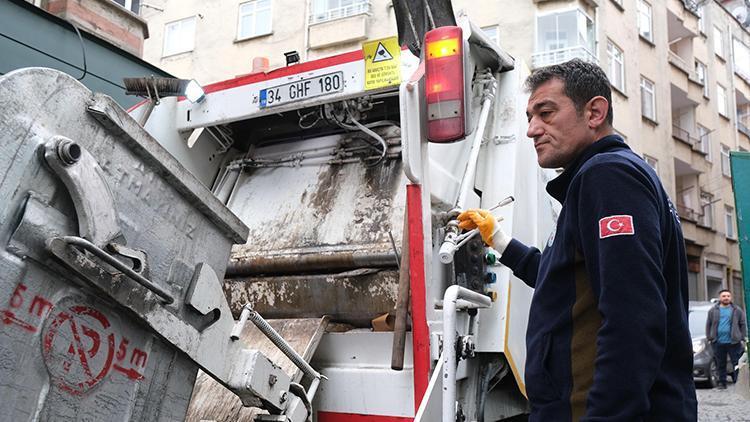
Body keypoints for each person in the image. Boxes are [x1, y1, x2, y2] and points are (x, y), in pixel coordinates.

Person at [458, 59, 697, 421]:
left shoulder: (608, 177)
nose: (532, 130)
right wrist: (500, 240)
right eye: (529, 117)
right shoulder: (600, 179)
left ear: (595, 112)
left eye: (546, 113)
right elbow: (564, 283)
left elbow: (632, 317)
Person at [705, 289, 747, 389]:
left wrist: (742, 337)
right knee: (720, 364)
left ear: (731, 297)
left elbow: (742, 324)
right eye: (724, 296)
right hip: (718, 341)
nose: (726, 298)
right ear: (720, 298)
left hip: (734, 342)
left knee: (736, 363)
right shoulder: (713, 310)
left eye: (728, 296)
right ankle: (722, 383)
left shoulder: (737, 310)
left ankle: (738, 382)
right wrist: (709, 337)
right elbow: (708, 324)